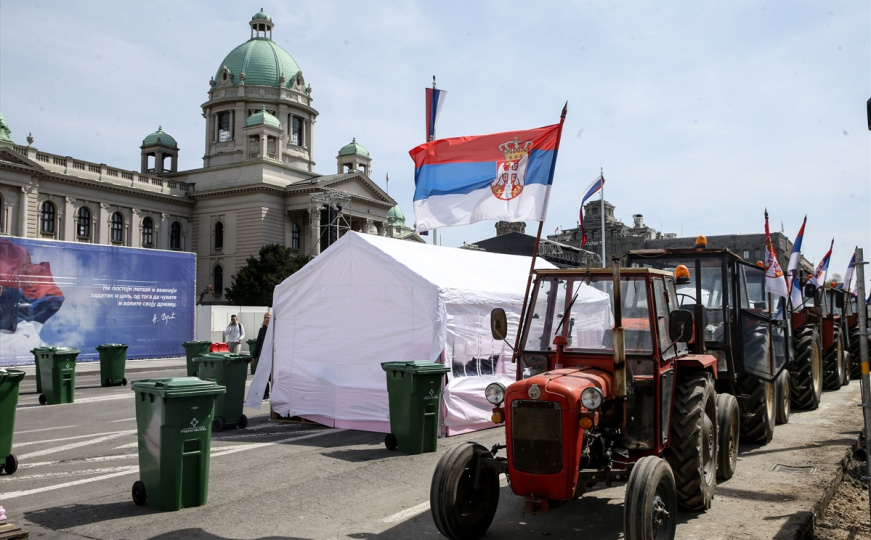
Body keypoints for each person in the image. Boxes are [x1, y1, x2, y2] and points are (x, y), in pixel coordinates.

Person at [252, 312, 271, 398]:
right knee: (263, 376)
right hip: (262, 356)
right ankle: (265, 394)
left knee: (272, 377)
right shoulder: (262, 330)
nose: (266, 319)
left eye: (268, 318)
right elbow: (258, 344)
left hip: (272, 357)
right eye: (265, 318)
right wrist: (254, 357)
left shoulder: (275, 329)